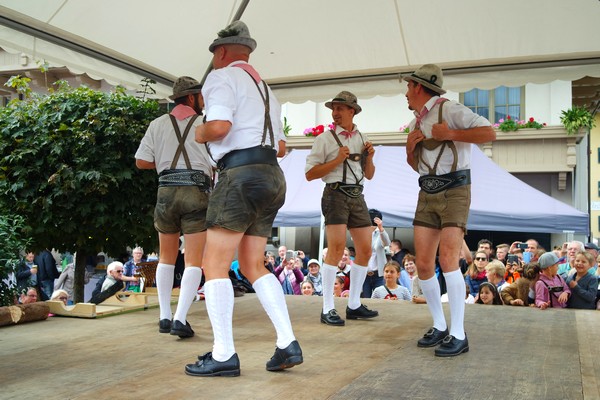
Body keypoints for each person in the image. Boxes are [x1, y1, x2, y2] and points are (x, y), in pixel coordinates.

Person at [186, 21, 302, 377]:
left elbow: (218, 127)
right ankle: (287, 342)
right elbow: (281, 146)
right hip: (271, 175)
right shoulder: (267, 89)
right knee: (253, 265)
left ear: (220, 53)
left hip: (240, 175)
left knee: (214, 264)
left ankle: (224, 354)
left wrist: (198, 131)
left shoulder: (222, 77)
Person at [404, 63, 495, 357]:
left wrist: (451, 133)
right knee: (423, 263)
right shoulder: (415, 123)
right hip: (426, 190)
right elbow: (416, 165)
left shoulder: (451, 109)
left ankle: (458, 333)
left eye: (408, 87)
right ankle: (440, 325)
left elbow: (489, 133)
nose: (406, 93)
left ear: (418, 87)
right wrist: (409, 149)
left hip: (455, 189)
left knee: (448, 259)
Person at [136, 75, 213, 339]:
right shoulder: (205, 124)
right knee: (194, 259)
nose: (203, 101)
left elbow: (141, 162)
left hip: (166, 190)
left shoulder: (157, 124)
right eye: (200, 96)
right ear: (191, 98)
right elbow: (218, 160)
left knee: (166, 256)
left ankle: (164, 317)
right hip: (197, 189)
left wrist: (165, 162)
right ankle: (180, 318)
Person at [305, 89, 377, 327]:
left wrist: (370, 158)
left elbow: (369, 174)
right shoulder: (324, 139)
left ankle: (354, 304)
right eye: (333, 108)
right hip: (334, 194)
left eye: (340, 108)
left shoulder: (361, 137)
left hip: (357, 195)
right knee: (335, 249)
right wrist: (336, 159)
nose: (335, 113)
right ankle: (327, 308)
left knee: (366, 250)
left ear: (352, 111)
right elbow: (309, 174)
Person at [363, 209, 390, 298]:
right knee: (365, 298)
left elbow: (386, 243)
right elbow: (354, 239)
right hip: (364, 274)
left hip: (378, 274)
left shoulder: (380, 233)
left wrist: (380, 228)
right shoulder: (363, 232)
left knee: (380, 298)